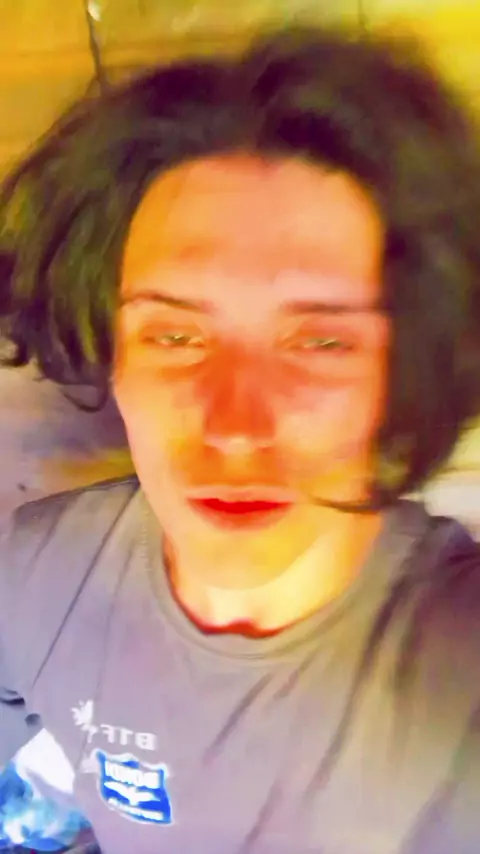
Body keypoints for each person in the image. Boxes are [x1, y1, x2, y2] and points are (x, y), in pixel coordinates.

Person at [0, 23, 479, 854]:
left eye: (320, 341)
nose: (234, 428)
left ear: (404, 368)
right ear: (111, 354)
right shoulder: (34, 572)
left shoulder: (455, 665)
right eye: (175, 336)